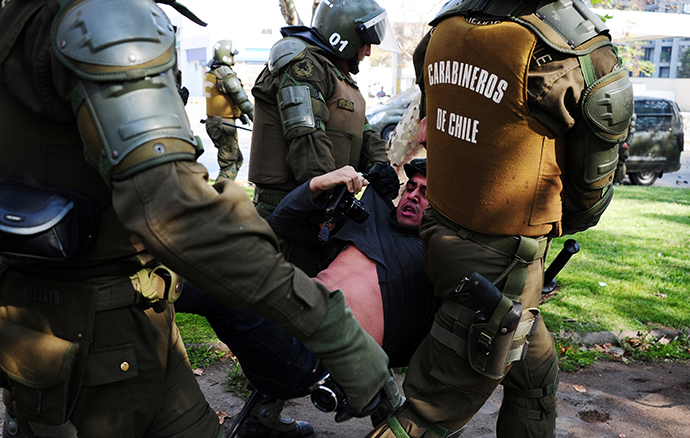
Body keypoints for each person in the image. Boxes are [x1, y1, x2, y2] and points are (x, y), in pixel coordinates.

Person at [0, 1, 390, 437]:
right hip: (97, 340)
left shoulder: (36, 16)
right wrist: (338, 336)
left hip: (119, 320)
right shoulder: (102, 18)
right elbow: (174, 211)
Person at [367, 1, 634, 438]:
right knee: (427, 413)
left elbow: (438, 117)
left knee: (535, 375)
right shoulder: (572, 50)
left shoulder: (445, 28)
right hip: (502, 264)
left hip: (442, 236)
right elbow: (589, 191)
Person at [176, 160, 437, 437]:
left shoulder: (433, 260)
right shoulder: (368, 219)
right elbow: (282, 222)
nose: (413, 195)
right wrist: (319, 183)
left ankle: (143, 281)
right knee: (223, 256)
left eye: (426, 193)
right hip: (283, 310)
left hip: (312, 355)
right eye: (410, 187)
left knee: (219, 275)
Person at [248, 0, 400, 276]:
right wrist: (326, 206)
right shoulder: (303, 64)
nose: (367, 52)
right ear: (345, 37)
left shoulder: (335, 72)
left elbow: (362, 128)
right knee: (279, 310)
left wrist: (380, 165)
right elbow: (307, 138)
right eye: (365, 42)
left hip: (317, 211)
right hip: (290, 214)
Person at [204, 39, 254, 181]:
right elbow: (241, 99)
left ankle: (226, 193)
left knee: (237, 159)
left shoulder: (212, 73)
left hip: (215, 123)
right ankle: (220, 198)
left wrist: (239, 115)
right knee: (229, 165)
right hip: (224, 125)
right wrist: (257, 118)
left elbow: (224, 99)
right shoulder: (224, 73)